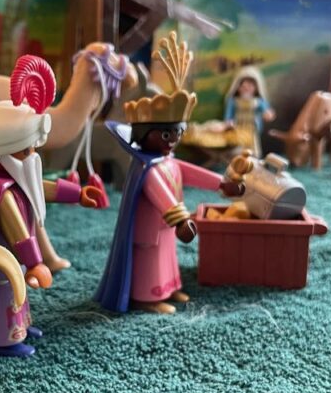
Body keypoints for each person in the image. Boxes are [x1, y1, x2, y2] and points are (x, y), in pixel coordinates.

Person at [0, 55, 104, 364]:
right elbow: (17, 231)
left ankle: (20, 329)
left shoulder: (14, 178)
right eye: (25, 150)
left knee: (17, 296)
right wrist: (36, 262)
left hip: (14, 261)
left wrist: (78, 194)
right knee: (5, 294)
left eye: (32, 148)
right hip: (2, 262)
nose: (32, 156)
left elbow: (42, 186)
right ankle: (2, 340)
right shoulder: (2, 192)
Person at [96, 32, 243, 315]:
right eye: (166, 134)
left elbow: (191, 173)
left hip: (165, 227)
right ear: (144, 134)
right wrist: (181, 219)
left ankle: (168, 289)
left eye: (177, 133)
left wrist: (222, 184)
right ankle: (146, 297)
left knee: (167, 258)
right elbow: (161, 195)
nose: (173, 140)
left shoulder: (168, 160)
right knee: (152, 262)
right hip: (153, 227)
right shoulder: (149, 169)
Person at [224, 66, 275, 155]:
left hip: (252, 129)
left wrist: (267, 114)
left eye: (250, 86)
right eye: (243, 86)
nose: (246, 89)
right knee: (238, 147)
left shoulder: (258, 102)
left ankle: (252, 158)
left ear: (256, 88)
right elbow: (229, 114)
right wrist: (228, 122)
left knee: (252, 146)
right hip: (238, 127)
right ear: (238, 87)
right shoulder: (234, 101)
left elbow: (266, 110)